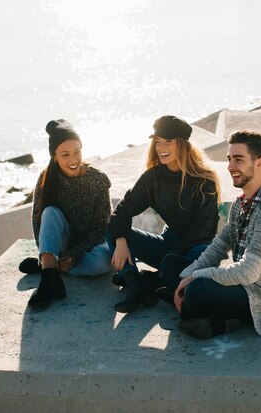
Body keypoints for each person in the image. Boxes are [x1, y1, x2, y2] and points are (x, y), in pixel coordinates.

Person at [167, 129, 261, 340]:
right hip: (240, 284)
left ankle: (216, 320)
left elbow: (248, 272)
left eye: (238, 159)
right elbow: (218, 248)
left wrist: (195, 278)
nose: (230, 166)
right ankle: (188, 303)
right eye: (229, 159)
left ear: (259, 163)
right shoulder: (240, 204)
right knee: (172, 266)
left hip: (260, 296)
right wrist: (186, 276)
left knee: (197, 288)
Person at [108, 115, 221, 313]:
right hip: (167, 246)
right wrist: (121, 241)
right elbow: (123, 210)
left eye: (168, 142)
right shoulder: (153, 177)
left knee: (202, 254)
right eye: (158, 142)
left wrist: (173, 254)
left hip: (196, 249)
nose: (161, 148)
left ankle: (158, 280)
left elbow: (205, 230)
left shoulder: (204, 180)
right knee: (114, 229)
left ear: (183, 144)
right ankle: (133, 281)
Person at [21, 119, 112, 310]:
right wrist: (50, 250)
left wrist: (74, 255)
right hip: (61, 241)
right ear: (54, 157)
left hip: (89, 246)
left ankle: (50, 268)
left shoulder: (98, 180)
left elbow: (102, 230)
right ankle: (48, 279)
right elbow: (40, 223)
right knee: (50, 212)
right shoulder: (47, 179)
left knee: (103, 261)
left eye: (77, 152)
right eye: (65, 154)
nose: (73, 159)